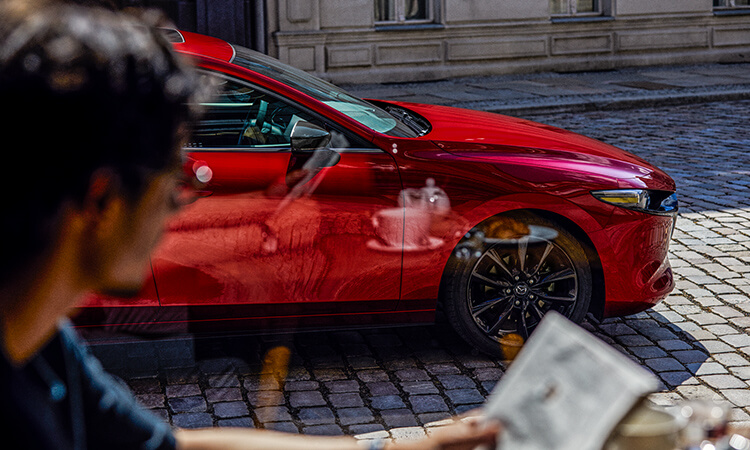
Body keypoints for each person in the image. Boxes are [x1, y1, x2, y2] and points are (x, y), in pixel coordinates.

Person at [0, 1, 502, 449]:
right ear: (103, 200)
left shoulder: (42, 341)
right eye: (170, 178)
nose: (180, 200)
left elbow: (170, 445)